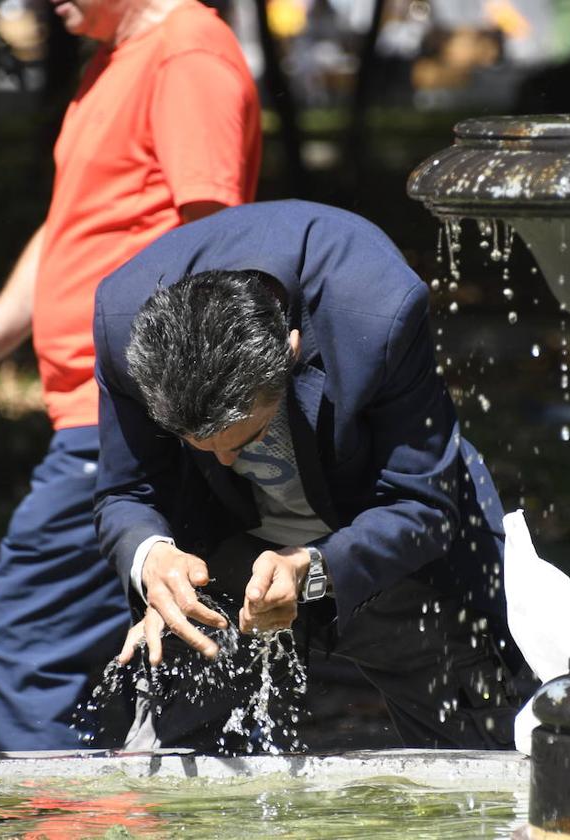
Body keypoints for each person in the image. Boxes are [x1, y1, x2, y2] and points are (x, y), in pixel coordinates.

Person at [0, 0, 261, 751]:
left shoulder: (187, 52)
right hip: (96, 411)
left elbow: (219, 241)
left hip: (131, 416)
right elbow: (68, 228)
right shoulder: (110, 64)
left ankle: (68, 825)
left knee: (19, 649)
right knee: (147, 670)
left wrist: (181, 425)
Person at [92, 200, 528, 750]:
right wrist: (152, 555)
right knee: (163, 786)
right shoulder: (120, 320)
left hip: (383, 551)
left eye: (246, 440)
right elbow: (126, 491)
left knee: (481, 773)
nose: (225, 461)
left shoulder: (379, 307)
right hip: (217, 563)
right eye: (198, 445)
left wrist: (312, 568)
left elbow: (422, 502)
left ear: (290, 354)